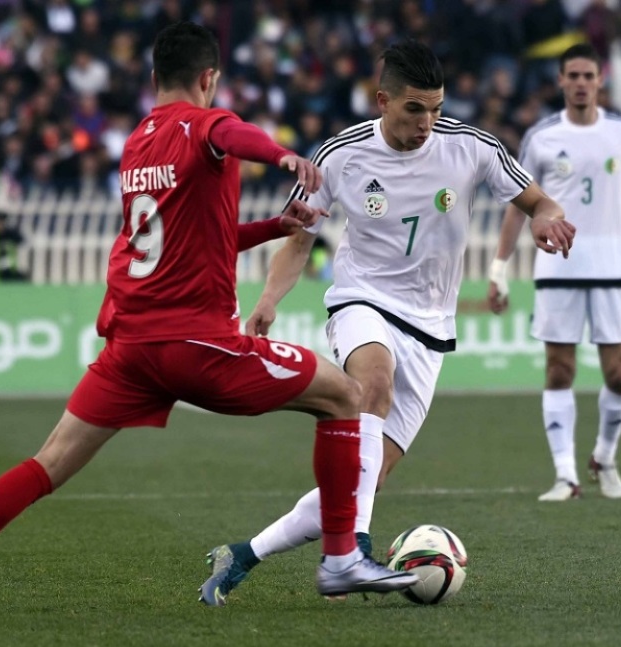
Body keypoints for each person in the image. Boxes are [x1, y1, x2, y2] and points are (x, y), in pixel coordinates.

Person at [0, 21, 417, 628]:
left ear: (153, 78)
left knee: (46, 463)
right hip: (195, 345)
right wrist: (282, 154)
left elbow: (185, 241)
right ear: (209, 78)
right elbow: (232, 132)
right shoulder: (207, 122)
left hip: (130, 350)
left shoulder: (137, 143)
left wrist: (272, 227)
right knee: (346, 396)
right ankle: (342, 557)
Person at [198, 39, 576, 606]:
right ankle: (355, 552)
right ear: (383, 100)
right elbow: (298, 237)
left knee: (356, 484)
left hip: (430, 325)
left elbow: (539, 203)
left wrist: (548, 220)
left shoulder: (472, 148)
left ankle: (245, 553)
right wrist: (269, 299)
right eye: (414, 109)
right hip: (361, 299)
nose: (427, 123)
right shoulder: (340, 154)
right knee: (372, 384)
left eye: (436, 108)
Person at [488, 43, 621, 502]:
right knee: (559, 369)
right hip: (557, 267)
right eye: (574, 76)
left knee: (620, 375)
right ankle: (565, 475)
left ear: (600, 80)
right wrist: (498, 268)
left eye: (590, 75)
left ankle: (604, 457)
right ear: (561, 81)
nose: (582, 83)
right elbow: (517, 205)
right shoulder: (541, 137)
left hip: (613, 268)